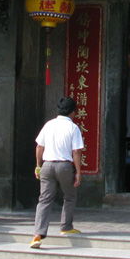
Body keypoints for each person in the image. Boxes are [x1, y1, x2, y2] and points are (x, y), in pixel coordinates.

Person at [30, 96, 84, 249]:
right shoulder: (73, 128)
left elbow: (39, 147)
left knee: (44, 200)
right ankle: (66, 227)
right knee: (70, 195)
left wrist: (38, 165)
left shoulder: (49, 125)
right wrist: (79, 172)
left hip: (47, 165)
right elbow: (76, 152)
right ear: (73, 112)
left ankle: (37, 235)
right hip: (64, 166)